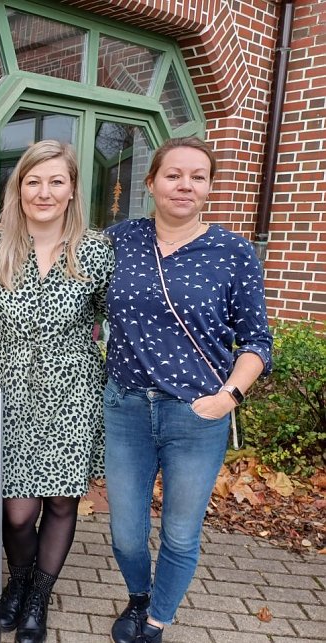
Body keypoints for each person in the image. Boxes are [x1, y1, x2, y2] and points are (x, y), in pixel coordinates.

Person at [0, 140, 114, 643]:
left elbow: (117, 321)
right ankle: (21, 578)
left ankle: (36, 596)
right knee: (16, 509)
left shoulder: (96, 251)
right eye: (34, 181)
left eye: (56, 181)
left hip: (73, 390)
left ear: (73, 189)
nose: (44, 191)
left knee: (59, 502)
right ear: (19, 188)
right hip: (9, 392)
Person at [102, 137, 271, 642]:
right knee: (126, 531)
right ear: (150, 183)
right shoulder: (118, 240)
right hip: (126, 407)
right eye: (173, 175)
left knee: (179, 531)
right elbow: (53, 245)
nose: (185, 185)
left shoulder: (233, 252)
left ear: (210, 189)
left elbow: (258, 341)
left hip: (196, 415)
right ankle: (138, 596)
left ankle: (157, 619)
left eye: (198, 176)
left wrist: (229, 398)